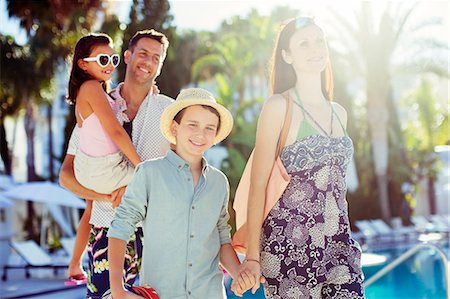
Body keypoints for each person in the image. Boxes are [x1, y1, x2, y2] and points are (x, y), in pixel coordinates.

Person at [232, 17, 365, 298]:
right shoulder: (279, 106)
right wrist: (253, 258)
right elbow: (258, 185)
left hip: (339, 246)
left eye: (319, 40)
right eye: (304, 43)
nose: (315, 48)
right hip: (288, 250)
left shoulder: (340, 113)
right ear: (287, 56)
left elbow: (337, 187)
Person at [59, 29, 172, 299]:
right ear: (128, 55)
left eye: (156, 58)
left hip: (154, 235)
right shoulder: (98, 106)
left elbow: (179, 173)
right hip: (104, 234)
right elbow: (66, 176)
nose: (148, 62)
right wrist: (107, 196)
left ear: (160, 66)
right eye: (143, 53)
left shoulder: (170, 113)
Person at [107, 88, 252, 299]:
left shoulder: (219, 182)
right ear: (175, 128)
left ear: (215, 135)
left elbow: (221, 239)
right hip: (162, 293)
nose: (200, 134)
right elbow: (120, 228)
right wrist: (118, 290)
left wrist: (239, 273)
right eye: (192, 124)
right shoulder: (149, 173)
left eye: (209, 128)